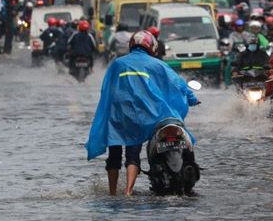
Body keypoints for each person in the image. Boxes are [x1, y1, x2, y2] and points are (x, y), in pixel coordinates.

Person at [84, 30, 200, 196]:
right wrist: (192, 98)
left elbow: (107, 90)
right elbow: (177, 83)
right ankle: (128, 191)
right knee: (132, 153)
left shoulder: (118, 63)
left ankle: (112, 192)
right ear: (151, 46)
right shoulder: (156, 64)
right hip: (141, 115)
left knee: (114, 154)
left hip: (117, 114)